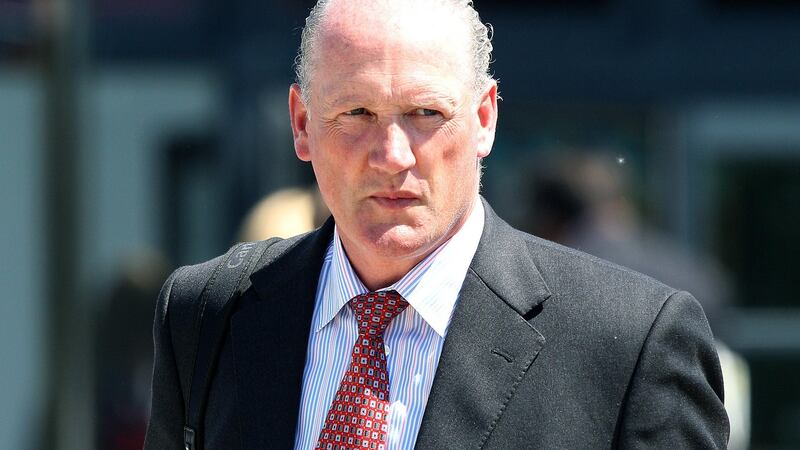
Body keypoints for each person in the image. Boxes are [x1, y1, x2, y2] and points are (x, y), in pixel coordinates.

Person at [144, 1, 729, 449]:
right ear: (302, 123)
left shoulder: (630, 344)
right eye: (356, 113)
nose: (392, 153)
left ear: (483, 120)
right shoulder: (206, 312)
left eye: (426, 113)